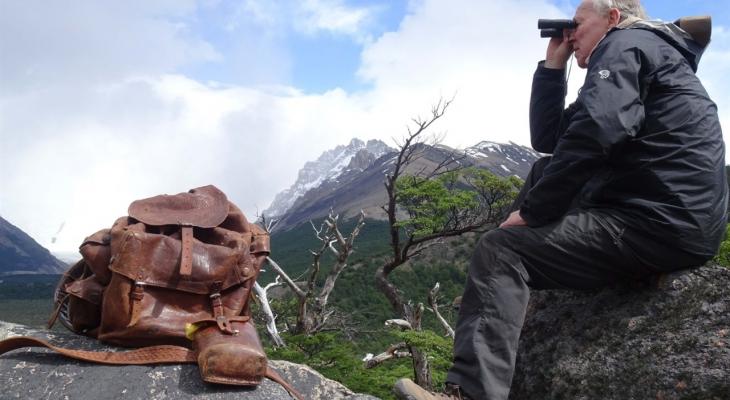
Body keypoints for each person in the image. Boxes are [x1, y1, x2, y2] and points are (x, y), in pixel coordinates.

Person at [394, 0, 727, 399]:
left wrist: (535, 213)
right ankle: (508, 295)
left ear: (613, 19)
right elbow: (550, 139)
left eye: (578, 25)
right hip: (667, 214)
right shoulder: (646, 50)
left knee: (501, 251)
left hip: (655, 221)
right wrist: (554, 64)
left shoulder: (626, 44)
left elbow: (599, 129)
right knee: (540, 171)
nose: (571, 34)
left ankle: (472, 391)